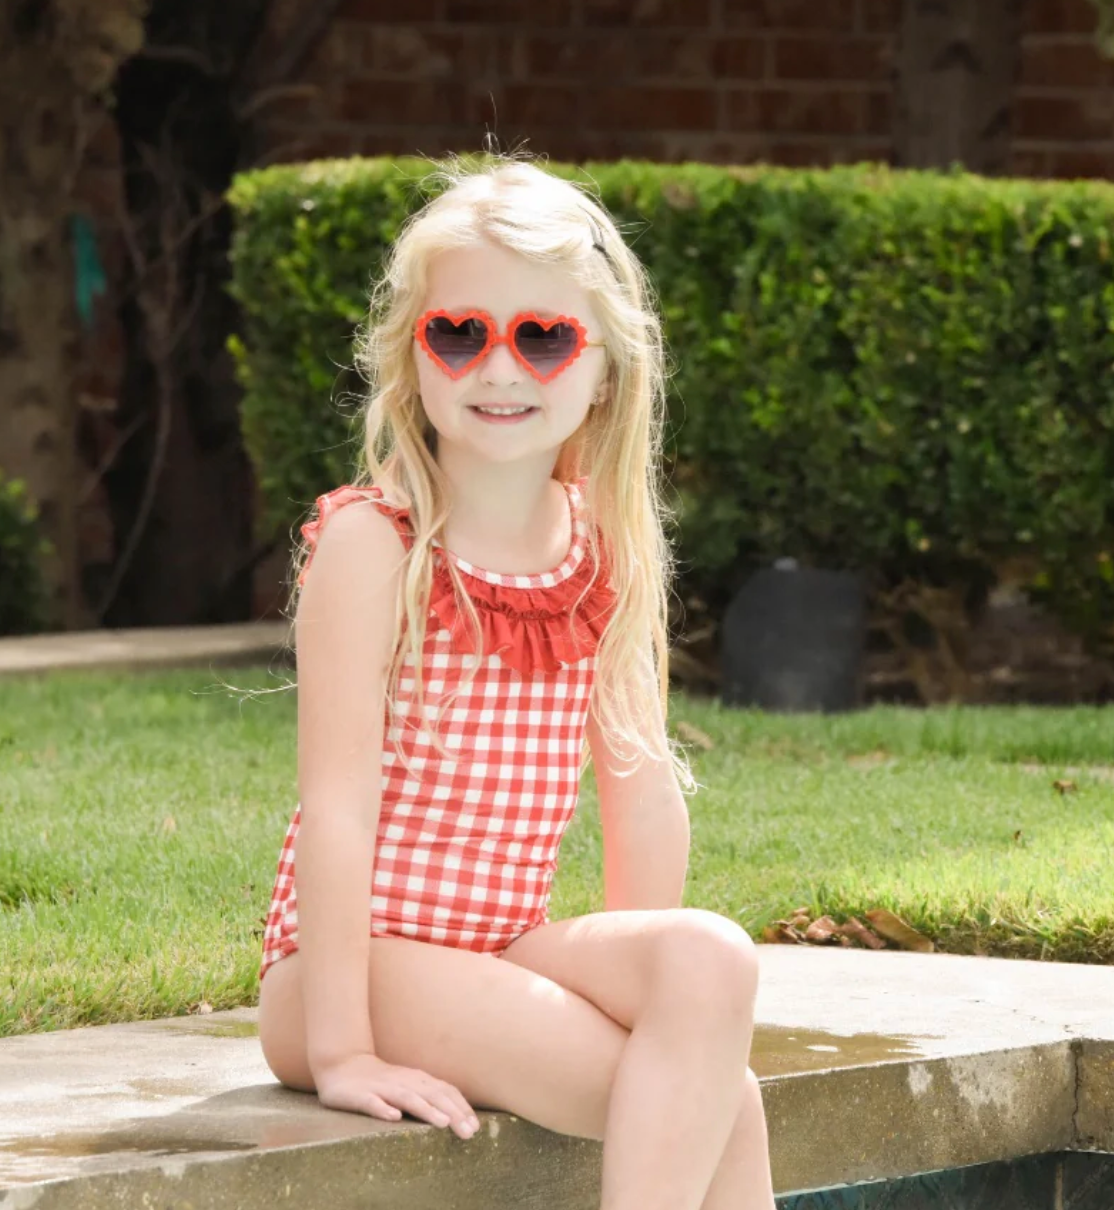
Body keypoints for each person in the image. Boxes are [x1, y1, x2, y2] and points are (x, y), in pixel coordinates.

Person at [255, 151, 776, 1210]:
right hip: (346, 964)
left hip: (501, 947)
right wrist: (343, 1050)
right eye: (462, 333)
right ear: (413, 356)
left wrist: (648, 998)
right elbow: (338, 808)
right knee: (723, 1104)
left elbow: (638, 784)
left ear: (602, 368)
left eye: (542, 337)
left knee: (710, 964)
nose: (501, 369)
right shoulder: (375, 543)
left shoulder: (604, 551)